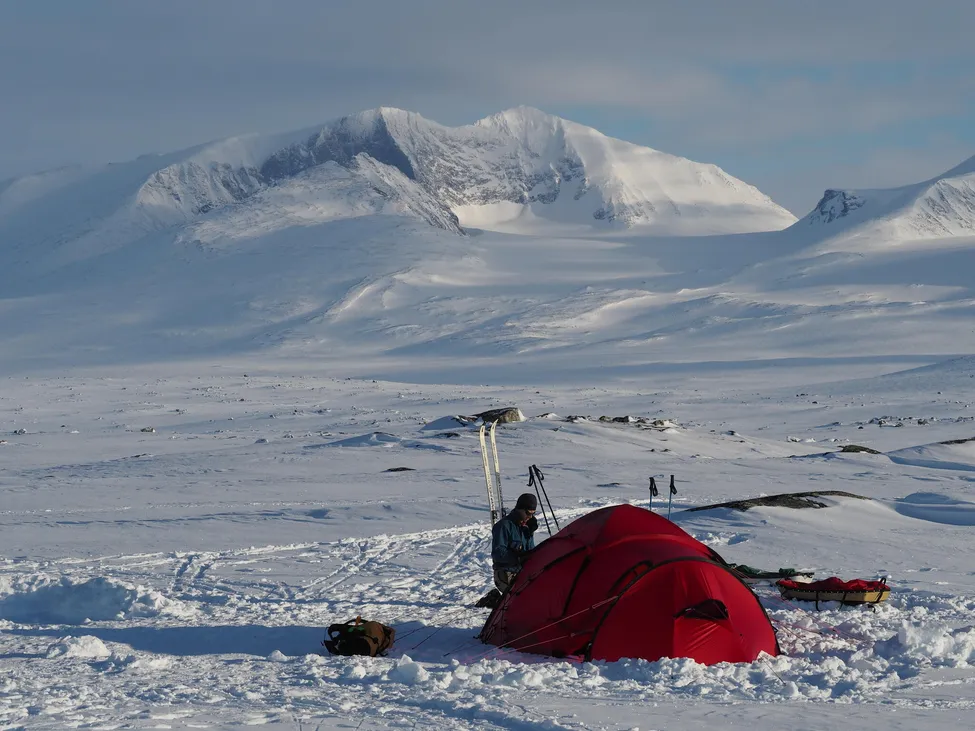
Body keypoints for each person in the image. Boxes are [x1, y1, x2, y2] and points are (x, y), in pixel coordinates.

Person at [491, 493, 539, 593]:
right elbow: (497, 553)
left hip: (525, 571)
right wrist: (518, 557)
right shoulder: (503, 526)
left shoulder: (528, 526)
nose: (530, 517)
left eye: (533, 514)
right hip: (507, 572)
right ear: (520, 510)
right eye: (528, 513)